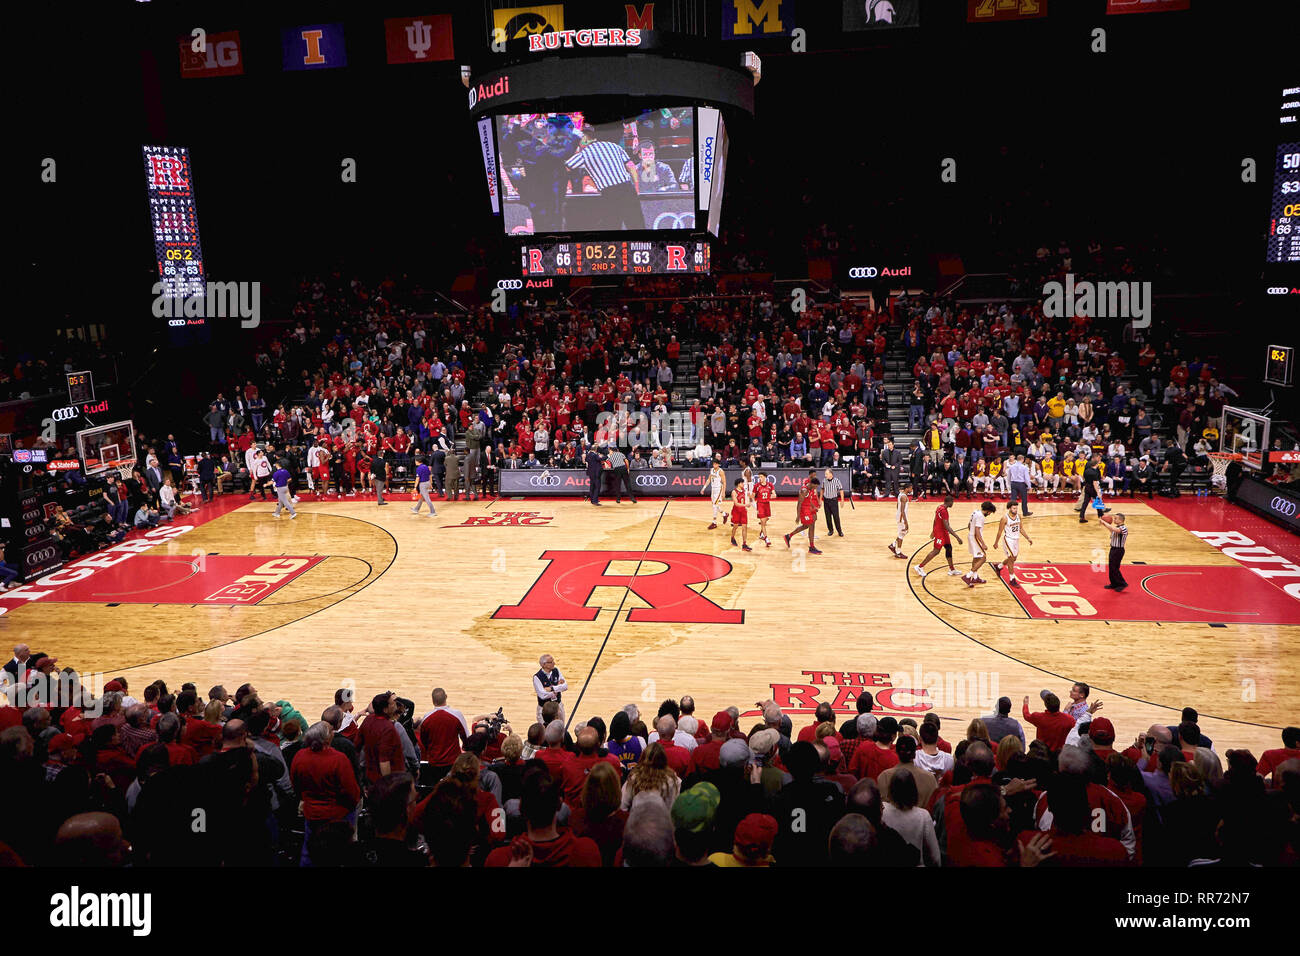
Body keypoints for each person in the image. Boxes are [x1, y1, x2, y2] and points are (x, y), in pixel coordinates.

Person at [563, 126, 643, 230]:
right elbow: (631, 166)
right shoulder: (614, 146)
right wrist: (636, 187)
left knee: (612, 226)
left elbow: (566, 167)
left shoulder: (585, 153)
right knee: (636, 225)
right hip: (628, 188)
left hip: (611, 192)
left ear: (585, 140)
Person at [913, 494, 963, 578]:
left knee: (949, 548)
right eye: (952, 502)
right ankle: (919, 567)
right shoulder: (944, 511)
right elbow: (947, 526)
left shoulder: (939, 507)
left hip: (943, 532)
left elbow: (935, 519)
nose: (953, 504)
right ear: (949, 502)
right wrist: (957, 537)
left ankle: (952, 569)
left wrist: (933, 530)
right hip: (940, 534)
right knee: (936, 551)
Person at [990, 499, 1032, 588]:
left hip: (1016, 539)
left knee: (1013, 559)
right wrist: (996, 543)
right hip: (1008, 540)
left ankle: (999, 566)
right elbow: (999, 532)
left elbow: (1021, 529)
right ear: (1009, 508)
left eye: (1016, 508)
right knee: (1011, 558)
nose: (1015, 510)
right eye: (1014, 508)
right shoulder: (1004, 518)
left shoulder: (1019, 516)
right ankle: (1012, 579)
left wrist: (1028, 538)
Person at [784, 475, 822, 555]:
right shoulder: (804, 490)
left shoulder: (810, 489)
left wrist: (814, 507)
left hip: (808, 509)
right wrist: (798, 516)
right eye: (815, 486)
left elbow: (809, 500)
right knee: (811, 526)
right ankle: (811, 547)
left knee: (806, 526)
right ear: (811, 483)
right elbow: (799, 503)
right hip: (804, 511)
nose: (815, 488)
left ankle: (788, 536)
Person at [963, 501, 997, 587]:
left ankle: (975, 578)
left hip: (971, 536)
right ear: (987, 510)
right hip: (975, 537)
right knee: (983, 558)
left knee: (976, 557)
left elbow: (969, 525)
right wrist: (983, 543)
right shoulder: (981, 517)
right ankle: (968, 576)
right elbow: (977, 530)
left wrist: (971, 534)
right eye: (990, 513)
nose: (989, 514)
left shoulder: (975, 512)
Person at [533, 654, 567, 724]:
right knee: (545, 730)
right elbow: (542, 695)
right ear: (544, 664)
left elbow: (565, 686)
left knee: (561, 728)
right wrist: (556, 690)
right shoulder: (537, 677)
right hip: (544, 709)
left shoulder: (556, 671)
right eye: (551, 662)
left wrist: (552, 688)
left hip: (557, 706)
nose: (554, 663)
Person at [1099, 511, 1129, 591]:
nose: (1114, 520)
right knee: (1111, 567)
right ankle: (1114, 583)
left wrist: (1104, 522)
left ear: (1121, 520)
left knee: (1115, 568)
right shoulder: (1116, 528)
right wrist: (1105, 524)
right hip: (1113, 549)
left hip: (1118, 550)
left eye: (1116, 518)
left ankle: (1122, 583)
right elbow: (1112, 530)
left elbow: (1114, 529)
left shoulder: (1124, 528)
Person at [729, 473, 753, 552]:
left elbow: (749, 499)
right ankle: (732, 538)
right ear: (738, 484)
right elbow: (736, 503)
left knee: (744, 527)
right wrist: (746, 504)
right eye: (742, 483)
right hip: (736, 511)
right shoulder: (734, 492)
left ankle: (744, 544)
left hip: (743, 511)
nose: (743, 484)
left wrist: (750, 498)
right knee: (735, 526)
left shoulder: (745, 491)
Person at [703, 457, 727, 529]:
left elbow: (724, 482)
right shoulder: (711, 470)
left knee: (714, 506)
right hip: (713, 489)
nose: (714, 465)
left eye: (715, 464)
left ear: (718, 464)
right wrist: (703, 488)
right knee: (715, 505)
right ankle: (724, 514)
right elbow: (709, 479)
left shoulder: (721, 471)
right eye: (713, 464)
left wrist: (723, 492)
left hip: (719, 489)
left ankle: (714, 522)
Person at [753, 473, 775, 547]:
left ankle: (761, 533)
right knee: (762, 522)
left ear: (765, 477)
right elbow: (753, 496)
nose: (760, 478)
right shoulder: (756, 486)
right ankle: (766, 539)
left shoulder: (770, 485)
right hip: (760, 504)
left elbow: (774, 495)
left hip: (767, 504)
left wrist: (770, 496)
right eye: (759, 477)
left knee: (764, 521)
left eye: (761, 477)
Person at [823, 467, 845, 538]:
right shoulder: (824, 480)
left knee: (836, 517)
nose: (825, 475)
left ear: (831, 474)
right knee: (828, 517)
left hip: (833, 501)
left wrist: (842, 500)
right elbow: (822, 489)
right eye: (825, 474)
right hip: (826, 501)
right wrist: (820, 499)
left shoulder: (837, 481)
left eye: (826, 474)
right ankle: (831, 530)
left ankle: (839, 531)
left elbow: (841, 490)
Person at [888, 489, 910, 559]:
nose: (911, 490)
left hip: (900, 516)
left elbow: (897, 506)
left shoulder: (900, 494)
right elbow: (902, 510)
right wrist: (905, 522)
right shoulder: (904, 497)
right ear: (907, 488)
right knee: (901, 535)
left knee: (904, 532)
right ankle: (898, 552)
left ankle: (893, 544)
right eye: (911, 488)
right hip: (902, 517)